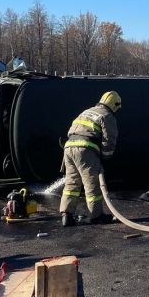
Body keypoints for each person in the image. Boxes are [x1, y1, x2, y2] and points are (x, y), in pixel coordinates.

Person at [60, 91, 121, 227]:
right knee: (92, 183)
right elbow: (109, 139)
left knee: (72, 183)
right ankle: (96, 215)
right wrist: (106, 155)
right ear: (115, 105)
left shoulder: (87, 111)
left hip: (69, 147)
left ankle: (66, 215)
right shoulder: (107, 115)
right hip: (85, 148)